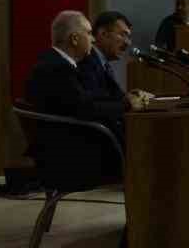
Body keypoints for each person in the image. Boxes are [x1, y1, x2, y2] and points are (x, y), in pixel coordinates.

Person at [25, 10, 136, 193]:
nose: (93, 40)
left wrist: (123, 101)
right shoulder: (57, 69)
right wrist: (125, 105)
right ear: (75, 39)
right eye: (89, 33)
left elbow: (86, 101)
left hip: (66, 151)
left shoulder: (57, 63)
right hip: (70, 161)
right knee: (142, 154)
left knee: (137, 146)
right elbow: (86, 109)